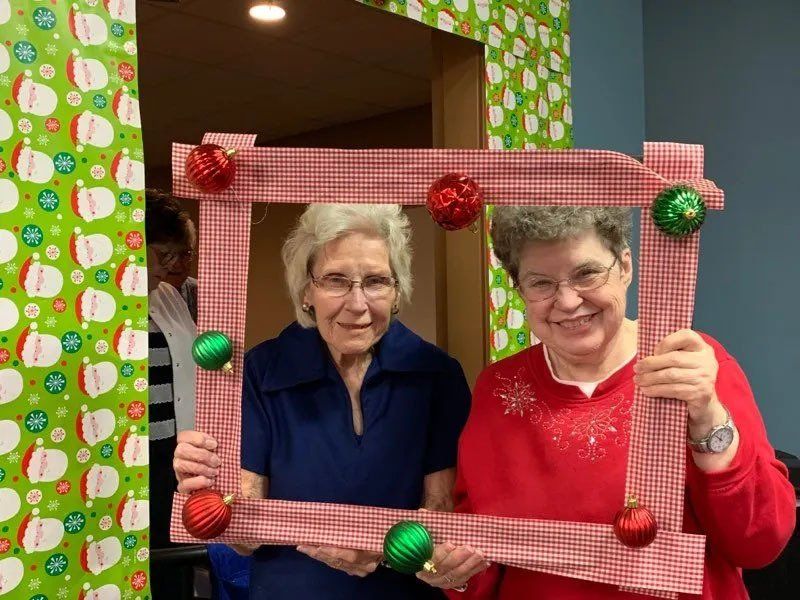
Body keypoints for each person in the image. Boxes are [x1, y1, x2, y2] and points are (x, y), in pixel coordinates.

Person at [417, 206, 796, 599]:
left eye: (586, 273)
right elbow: (479, 554)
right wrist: (451, 570)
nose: (566, 301)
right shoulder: (498, 388)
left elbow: (760, 542)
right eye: (541, 283)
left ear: (626, 266)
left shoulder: (693, 365)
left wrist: (707, 415)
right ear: (519, 289)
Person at [173, 204, 471, 599]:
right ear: (306, 291)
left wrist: (384, 550)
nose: (358, 303)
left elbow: (443, 506)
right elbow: (245, 535)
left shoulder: (436, 374)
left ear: (397, 291)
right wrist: (210, 496)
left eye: (377, 281)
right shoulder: (260, 372)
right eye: (335, 280)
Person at [145, 190, 199, 597]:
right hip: (126, 463)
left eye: (178, 257)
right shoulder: (89, 302)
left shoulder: (171, 296)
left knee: (172, 571)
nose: (170, 267)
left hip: (175, 459)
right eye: (164, 255)